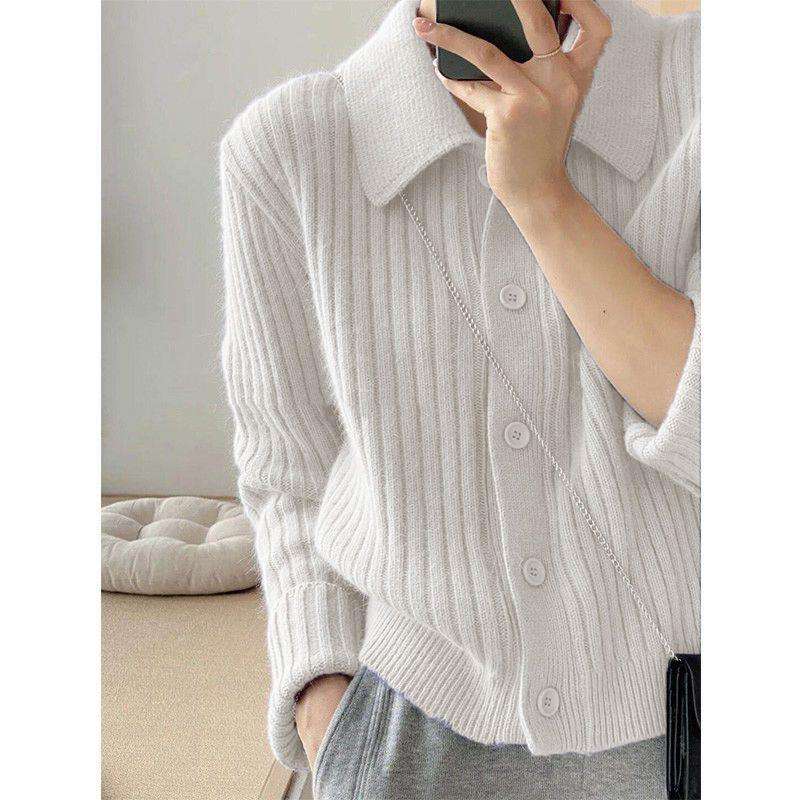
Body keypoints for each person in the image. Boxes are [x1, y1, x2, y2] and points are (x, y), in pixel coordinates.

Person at [220, 0, 700, 797]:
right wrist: (323, 708)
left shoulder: (719, 88)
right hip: (404, 737)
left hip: (690, 730)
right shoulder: (289, 147)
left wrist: (542, 194)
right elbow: (287, 469)